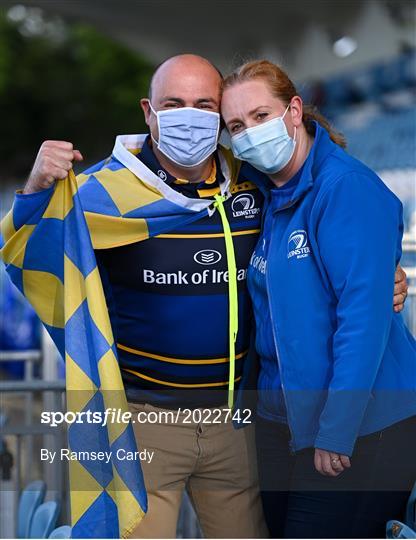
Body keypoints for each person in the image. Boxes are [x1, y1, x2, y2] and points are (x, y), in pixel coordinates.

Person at [10, 54, 407, 539]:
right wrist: (34, 188)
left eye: (204, 105)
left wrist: (382, 272)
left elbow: (337, 252)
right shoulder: (102, 194)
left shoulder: (252, 184)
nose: (189, 116)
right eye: (173, 104)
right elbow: (31, 253)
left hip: (240, 423)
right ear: (148, 111)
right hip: (144, 423)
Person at [220, 59, 416, 539]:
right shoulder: (261, 195)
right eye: (236, 125)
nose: (249, 133)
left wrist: (336, 431)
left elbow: (362, 321)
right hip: (279, 424)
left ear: (293, 110)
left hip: (360, 427)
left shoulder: (344, 188)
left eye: (260, 115)